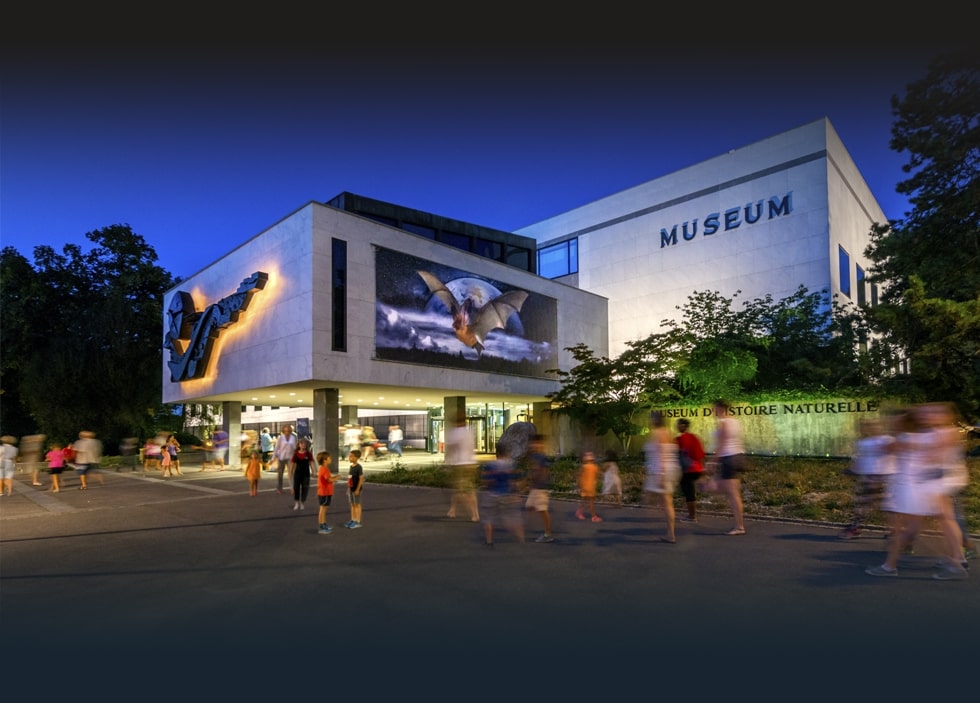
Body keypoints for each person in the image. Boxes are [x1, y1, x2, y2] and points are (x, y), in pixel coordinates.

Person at [866, 403, 968, 579]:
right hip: (921, 485)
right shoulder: (924, 435)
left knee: (908, 528)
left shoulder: (914, 437)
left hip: (914, 488)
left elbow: (889, 449)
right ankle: (955, 559)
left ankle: (891, 566)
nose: (927, 416)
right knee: (929, 523)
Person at [840, 418, 895, 539]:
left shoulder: (888, 440)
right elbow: (861, 459)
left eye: (873, 425)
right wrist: (854, 470)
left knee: (887, 506)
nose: (871, 428)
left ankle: (893, 531)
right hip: (870, 477)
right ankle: (855, 528)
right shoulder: (863, 443)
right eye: (867, 426)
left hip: (885, 477)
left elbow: (896, 455)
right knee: (864, 504)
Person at [708, 400, 747, 536]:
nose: (713, 411)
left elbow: (722, 444)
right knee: (733, 493)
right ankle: (739, 525)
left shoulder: (724, 422)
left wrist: (713, 461)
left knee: (732, 494)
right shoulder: (734, 421)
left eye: (714, 409)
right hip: (736, 456)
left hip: (728, 458)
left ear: (720, 408)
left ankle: (739, 526)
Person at [643, 412, 680, 543]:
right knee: (666, 502)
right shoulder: (668, 433)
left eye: (652, 418)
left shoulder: (657, 433)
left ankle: (670, 534)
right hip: (668, 470)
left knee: (661, 501)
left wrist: (661, 474)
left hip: (660, 471)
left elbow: (662, 454)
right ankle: (670, 533)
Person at [480, 446, 524, 546]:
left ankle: (489, 540)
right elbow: (517, 480)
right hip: (507, 494)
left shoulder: (490, 465)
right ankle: (521, 538)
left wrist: (487, 485)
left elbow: (486, 481)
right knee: (512, 517)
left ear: (497, 454)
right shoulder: (511, 465)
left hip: (492, 494)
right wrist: (517, 492)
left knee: (488, 518)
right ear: (507, 454)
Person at [445, 410, 479, 522]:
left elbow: (450, 448)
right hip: (471, 464)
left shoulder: (456, 432)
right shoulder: (469, 432)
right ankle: (452, 510)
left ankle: (475, 513)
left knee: (465, 490)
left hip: (460, 465)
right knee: (460, 489)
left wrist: (447, 462)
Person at [525, 434, 555, 543]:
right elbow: (532, 470)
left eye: (536, 443)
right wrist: (529, 483)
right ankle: (535, 528)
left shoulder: (542, 456)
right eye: (532, 443)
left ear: (541, 444)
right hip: (535, 488)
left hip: (541, 488)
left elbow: (544, 471)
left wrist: (542, 483)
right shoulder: (534, 456)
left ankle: (548, 534)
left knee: (542, 510)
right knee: (529, 506)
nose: (533, 445)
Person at [675, 418, 706, 522]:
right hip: (697, 468)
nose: (677, 426)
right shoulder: (694, 437)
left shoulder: (680, 439)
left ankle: (692, 516)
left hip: (688, 470)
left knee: (689, 492)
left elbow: (676, 454)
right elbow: (701, 453)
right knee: (690, 491)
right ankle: (691, 514)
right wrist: (703, 469)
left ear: (683, 426)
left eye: (679, 424)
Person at [575, 450, 602, 523]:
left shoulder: (585, 467)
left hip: (586, 486)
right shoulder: (593, 467)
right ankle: (593, 516)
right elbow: (598, 475)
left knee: (584, 501)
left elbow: (579, 476)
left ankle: (579, 512)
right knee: (591, 502)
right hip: (589, 487)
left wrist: (579, 485)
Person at [316, 451, 339, 534]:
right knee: (323, 509)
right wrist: (337, 477)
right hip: (324, 492)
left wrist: (334, 477)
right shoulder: (324, 469)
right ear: (324, 460)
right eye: (329, 458)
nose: (331, 459)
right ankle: (322, 527)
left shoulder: (323, 468)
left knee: (324, 509)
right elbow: (329, 480)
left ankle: (324, 524)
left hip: (325, 492)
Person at [290, 438, 315, 511]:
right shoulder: (295, 454)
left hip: (306, 474)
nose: (303, 445)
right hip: (297, 473)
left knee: (305, 488)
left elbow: (311, 463)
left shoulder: (308, 454)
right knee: (296, 488)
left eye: (304, 444)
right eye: (301, 443)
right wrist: (290, 472)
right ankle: (296, 502)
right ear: (299, 445)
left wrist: (314, 471)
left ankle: (302, 503)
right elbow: (292, 464)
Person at [272, 424, 297, 494]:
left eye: (288, 431)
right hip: (281, 457)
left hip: (290, 457)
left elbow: (295, 448)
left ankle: (292, 488)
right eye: (286, 431)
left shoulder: (293, 438)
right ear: (283, 431)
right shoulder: (281, 438)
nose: (287, 432)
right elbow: (276, 448)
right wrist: (273, 458)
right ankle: (279, 488)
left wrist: (296, 457)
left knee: (291, 473)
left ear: (290, 431)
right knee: (280, 474)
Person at [345, 449, 364, 528]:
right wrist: (348, 488)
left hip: (356, 489)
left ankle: (357, 521)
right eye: (349, 456)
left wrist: (357, 489)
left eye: (351, 456)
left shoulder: (359, 467)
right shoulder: (351, 467)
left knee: (357, 504)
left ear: (357, 457)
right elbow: (350, 478)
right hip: (351, 489)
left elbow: (361, 478)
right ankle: (353, 519)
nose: (350, 458)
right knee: (352, 504)